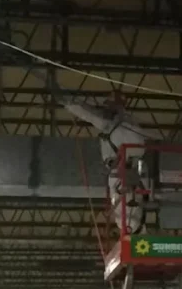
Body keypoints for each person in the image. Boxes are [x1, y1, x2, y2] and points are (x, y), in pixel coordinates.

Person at [64, 94, 158, 234]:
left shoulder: (127, 128)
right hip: (124, 172)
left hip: (132, 170)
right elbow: (90, 116)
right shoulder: (121, 127)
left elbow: (90, 115)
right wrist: (70, 105)